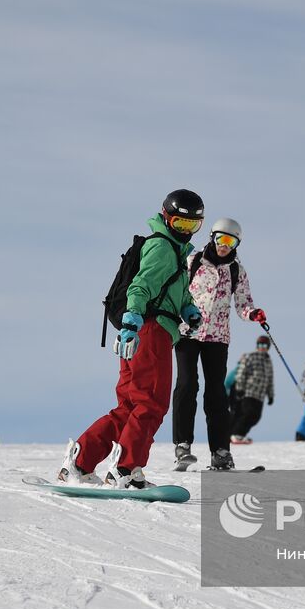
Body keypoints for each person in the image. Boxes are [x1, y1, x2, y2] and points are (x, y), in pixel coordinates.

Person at [59, 189, 203, 488]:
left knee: (128, 407)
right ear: (166, 217)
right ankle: (125, 470)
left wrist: (188, 308)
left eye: (193, 225)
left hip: (142, 332)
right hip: (150, 332)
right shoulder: (163, 247)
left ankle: (80, 463)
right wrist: (132, 318)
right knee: (151, 404)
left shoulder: (174, 251)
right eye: (180, 223)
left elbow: (172, 291)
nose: (185, 231)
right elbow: (141, 286)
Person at [173, 217, 266, 470]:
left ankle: (221, 452)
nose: (224, 245)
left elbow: (243, 304)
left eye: (230, 241)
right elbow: (177, 291)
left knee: (216, 393)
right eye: (221, 239)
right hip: (188, 333)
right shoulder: (193, 261)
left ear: (237, 244)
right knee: (187, 385)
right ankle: (182, 445)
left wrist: (253, 313)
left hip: (217, 337)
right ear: (212, 238)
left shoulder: (236, 270)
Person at [229, 335, 274, 445]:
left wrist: (271, 395)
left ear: (268, 347)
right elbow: (241, 372)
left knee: (256, 417)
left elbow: (270, 379)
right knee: (247, 413)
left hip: (260, 395)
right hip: (249, 392)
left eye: (264, 346)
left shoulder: (268, 361)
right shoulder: (251, 356)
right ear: (257, 346)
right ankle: (236, 434)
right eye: (260, 345)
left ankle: (240, 435)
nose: (262, 348)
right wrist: (240, 388)